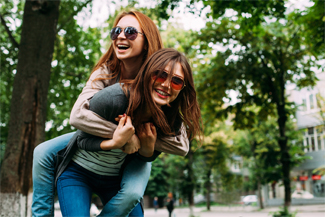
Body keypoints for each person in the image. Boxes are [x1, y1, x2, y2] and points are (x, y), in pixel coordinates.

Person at [32, 11, 190, 217]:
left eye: (131, 32)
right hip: (98, 132)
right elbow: (79, 116)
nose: (121, 36)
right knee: (43, 152)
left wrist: (145, 146)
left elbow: (180, 143)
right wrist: (124, 135)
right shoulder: (105, 72)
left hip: (135, 152)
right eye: (116, 31)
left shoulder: (161, 77)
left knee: (132, 193)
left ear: (147, 39)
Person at [55, 48, 202, 217]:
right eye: (160, 75)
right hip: (78, 173)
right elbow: (81, 140)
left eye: (176, 81)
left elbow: (142, 155)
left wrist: (147, 150)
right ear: (147, 73)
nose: (166, 85)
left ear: (182, 89)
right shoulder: (113, 98)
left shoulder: (170, 119)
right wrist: (115, 142)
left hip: (115, 179)